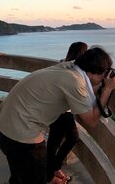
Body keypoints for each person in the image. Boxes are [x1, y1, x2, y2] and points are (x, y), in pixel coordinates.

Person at [0, 47, 115, 184]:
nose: (104, 78)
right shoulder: (75, 82)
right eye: (103, 74)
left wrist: (98, 86)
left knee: (19, 177)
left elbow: (82, 89)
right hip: (21, 136)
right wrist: (108, 89)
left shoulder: (68, 67)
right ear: (93, 72)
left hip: (5, 127)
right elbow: (92, 121)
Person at [46, 42, 89, 183]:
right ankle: (51, 172)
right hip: (64, 111)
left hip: (55, 108)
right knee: (70, 138)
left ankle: (53, 170)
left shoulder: (62, 63)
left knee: (54, 141)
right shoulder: (78, 68)